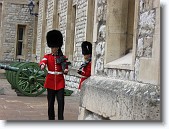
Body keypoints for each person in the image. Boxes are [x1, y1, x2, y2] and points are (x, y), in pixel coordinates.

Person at [39, 29, 69, 120]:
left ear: (58, 47)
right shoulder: (47, 56)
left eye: (55, 47)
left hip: (60, 81)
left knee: (61, 102)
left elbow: (65, 67)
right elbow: (43, 61)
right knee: (50, 103)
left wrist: (66, 70)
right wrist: (42, 65)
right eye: (52, 47)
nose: (54, 49)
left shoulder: (62, 57)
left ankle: (61, 119)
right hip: (50, 81)